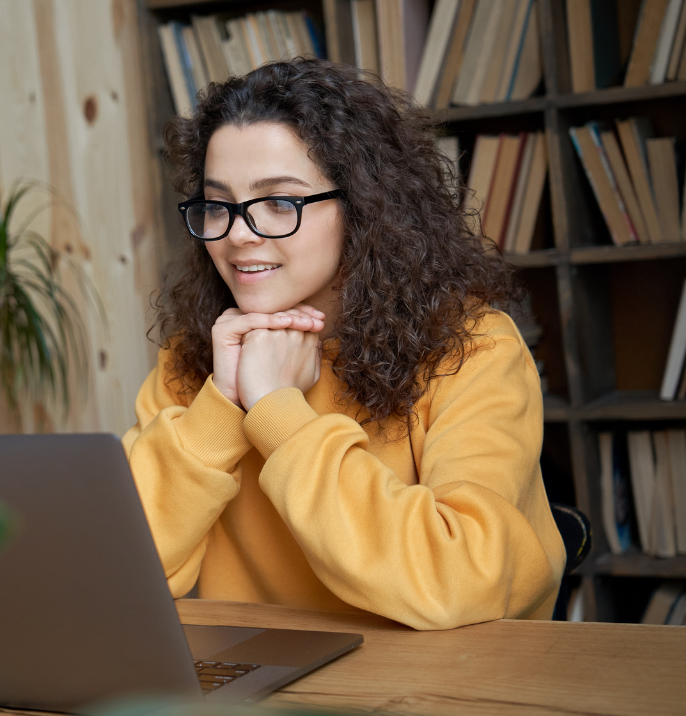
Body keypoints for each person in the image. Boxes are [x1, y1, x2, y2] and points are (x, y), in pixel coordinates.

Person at [121, 58, 566, 631]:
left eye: (279, 203)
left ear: (362, 206)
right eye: (217, 205)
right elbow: (118, 574)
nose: (236, 234)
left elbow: (462, 580)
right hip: (261, 685)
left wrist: (278, 412)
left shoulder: (473, 350)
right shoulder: (194, 361)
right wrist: (221, 406)